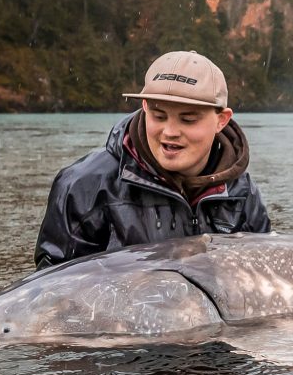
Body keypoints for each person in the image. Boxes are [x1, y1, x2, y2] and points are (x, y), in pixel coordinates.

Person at [34, 50, 271, 269]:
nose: (170, 132)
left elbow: (261, 278)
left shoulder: (242, 193)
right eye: (159, 116)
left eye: (188, 120)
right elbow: (50, 289)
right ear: (145, 107)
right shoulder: (83, 186)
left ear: (222, 120)